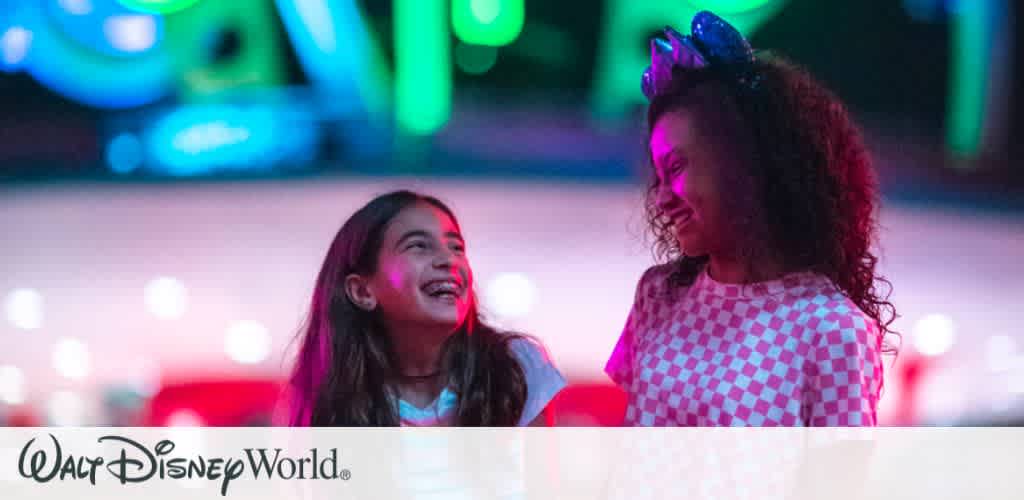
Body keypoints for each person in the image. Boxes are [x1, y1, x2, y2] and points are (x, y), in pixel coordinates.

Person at [605, 11, 896, 426]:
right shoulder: (658, 295)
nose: (661, 199)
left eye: (676, 168)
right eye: (659, 176)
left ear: (743, 162)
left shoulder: (832, 330)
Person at [283, 190, 565, 426]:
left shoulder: (516, 367)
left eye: (456, 248)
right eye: (419, 246)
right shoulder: (328, 395)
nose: (448, 260)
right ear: (362, 291)